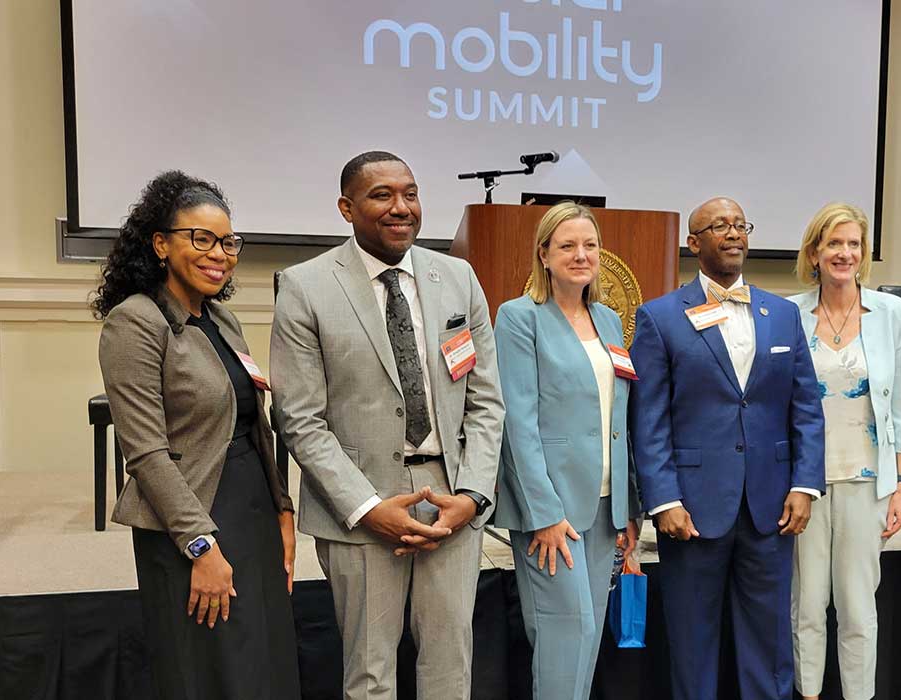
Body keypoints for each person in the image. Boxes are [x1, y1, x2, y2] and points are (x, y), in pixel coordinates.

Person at [269, 151, 504, 700]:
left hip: (452, 504)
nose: (401, 208)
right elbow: (300, 420)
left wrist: (472, 493)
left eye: (411, 193)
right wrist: (369, 509)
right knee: (370, 675)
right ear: (347, 208)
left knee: (451, 669)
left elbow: (487, 399)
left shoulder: (458, 276)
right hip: (360, 512)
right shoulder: (304, 287)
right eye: (382, 195)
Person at [95, 171, 300, 699]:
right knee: (208, 670)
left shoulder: (223, 320)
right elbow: (144, 453)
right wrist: (201, 545)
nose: (220, 254)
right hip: (187, 521)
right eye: (201, 238)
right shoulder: (134, 321)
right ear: (161, 244)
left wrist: (282, 509)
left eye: (228, 241)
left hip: (251, 509)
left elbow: (253, 423)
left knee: (263, 661)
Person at [629, 196, 825, 700]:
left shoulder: (781, 315)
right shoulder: (659, 317)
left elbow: (805, 407)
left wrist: (805, 484)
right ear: (694, 244)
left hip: (771, 507)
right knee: (694, 644)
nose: (733, 233)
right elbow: (648, 418)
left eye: (740, 224)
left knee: (770, 643)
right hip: (691, 510)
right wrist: (664, 500)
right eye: (719, 226)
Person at [492, 201, 641, 700]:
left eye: (590, 245)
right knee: (565, 633)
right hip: (552, 512)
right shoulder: (518, 317)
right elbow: (518, 422)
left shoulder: (608, 319)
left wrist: (628, 507)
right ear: (544, 254)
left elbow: (618, 420)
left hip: (604, 508)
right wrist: (543, 513)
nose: (581, 255)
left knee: (589, 634)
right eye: (567, 246)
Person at [785, 202, 901, 700]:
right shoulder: (788, 314)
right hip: (803, 484)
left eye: (853, 244)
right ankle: (809, 693)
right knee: (807, 605)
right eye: (834, 243)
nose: (844, 253)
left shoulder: (893, 314)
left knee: (859, 607)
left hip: (869, 482)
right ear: (815, 252)